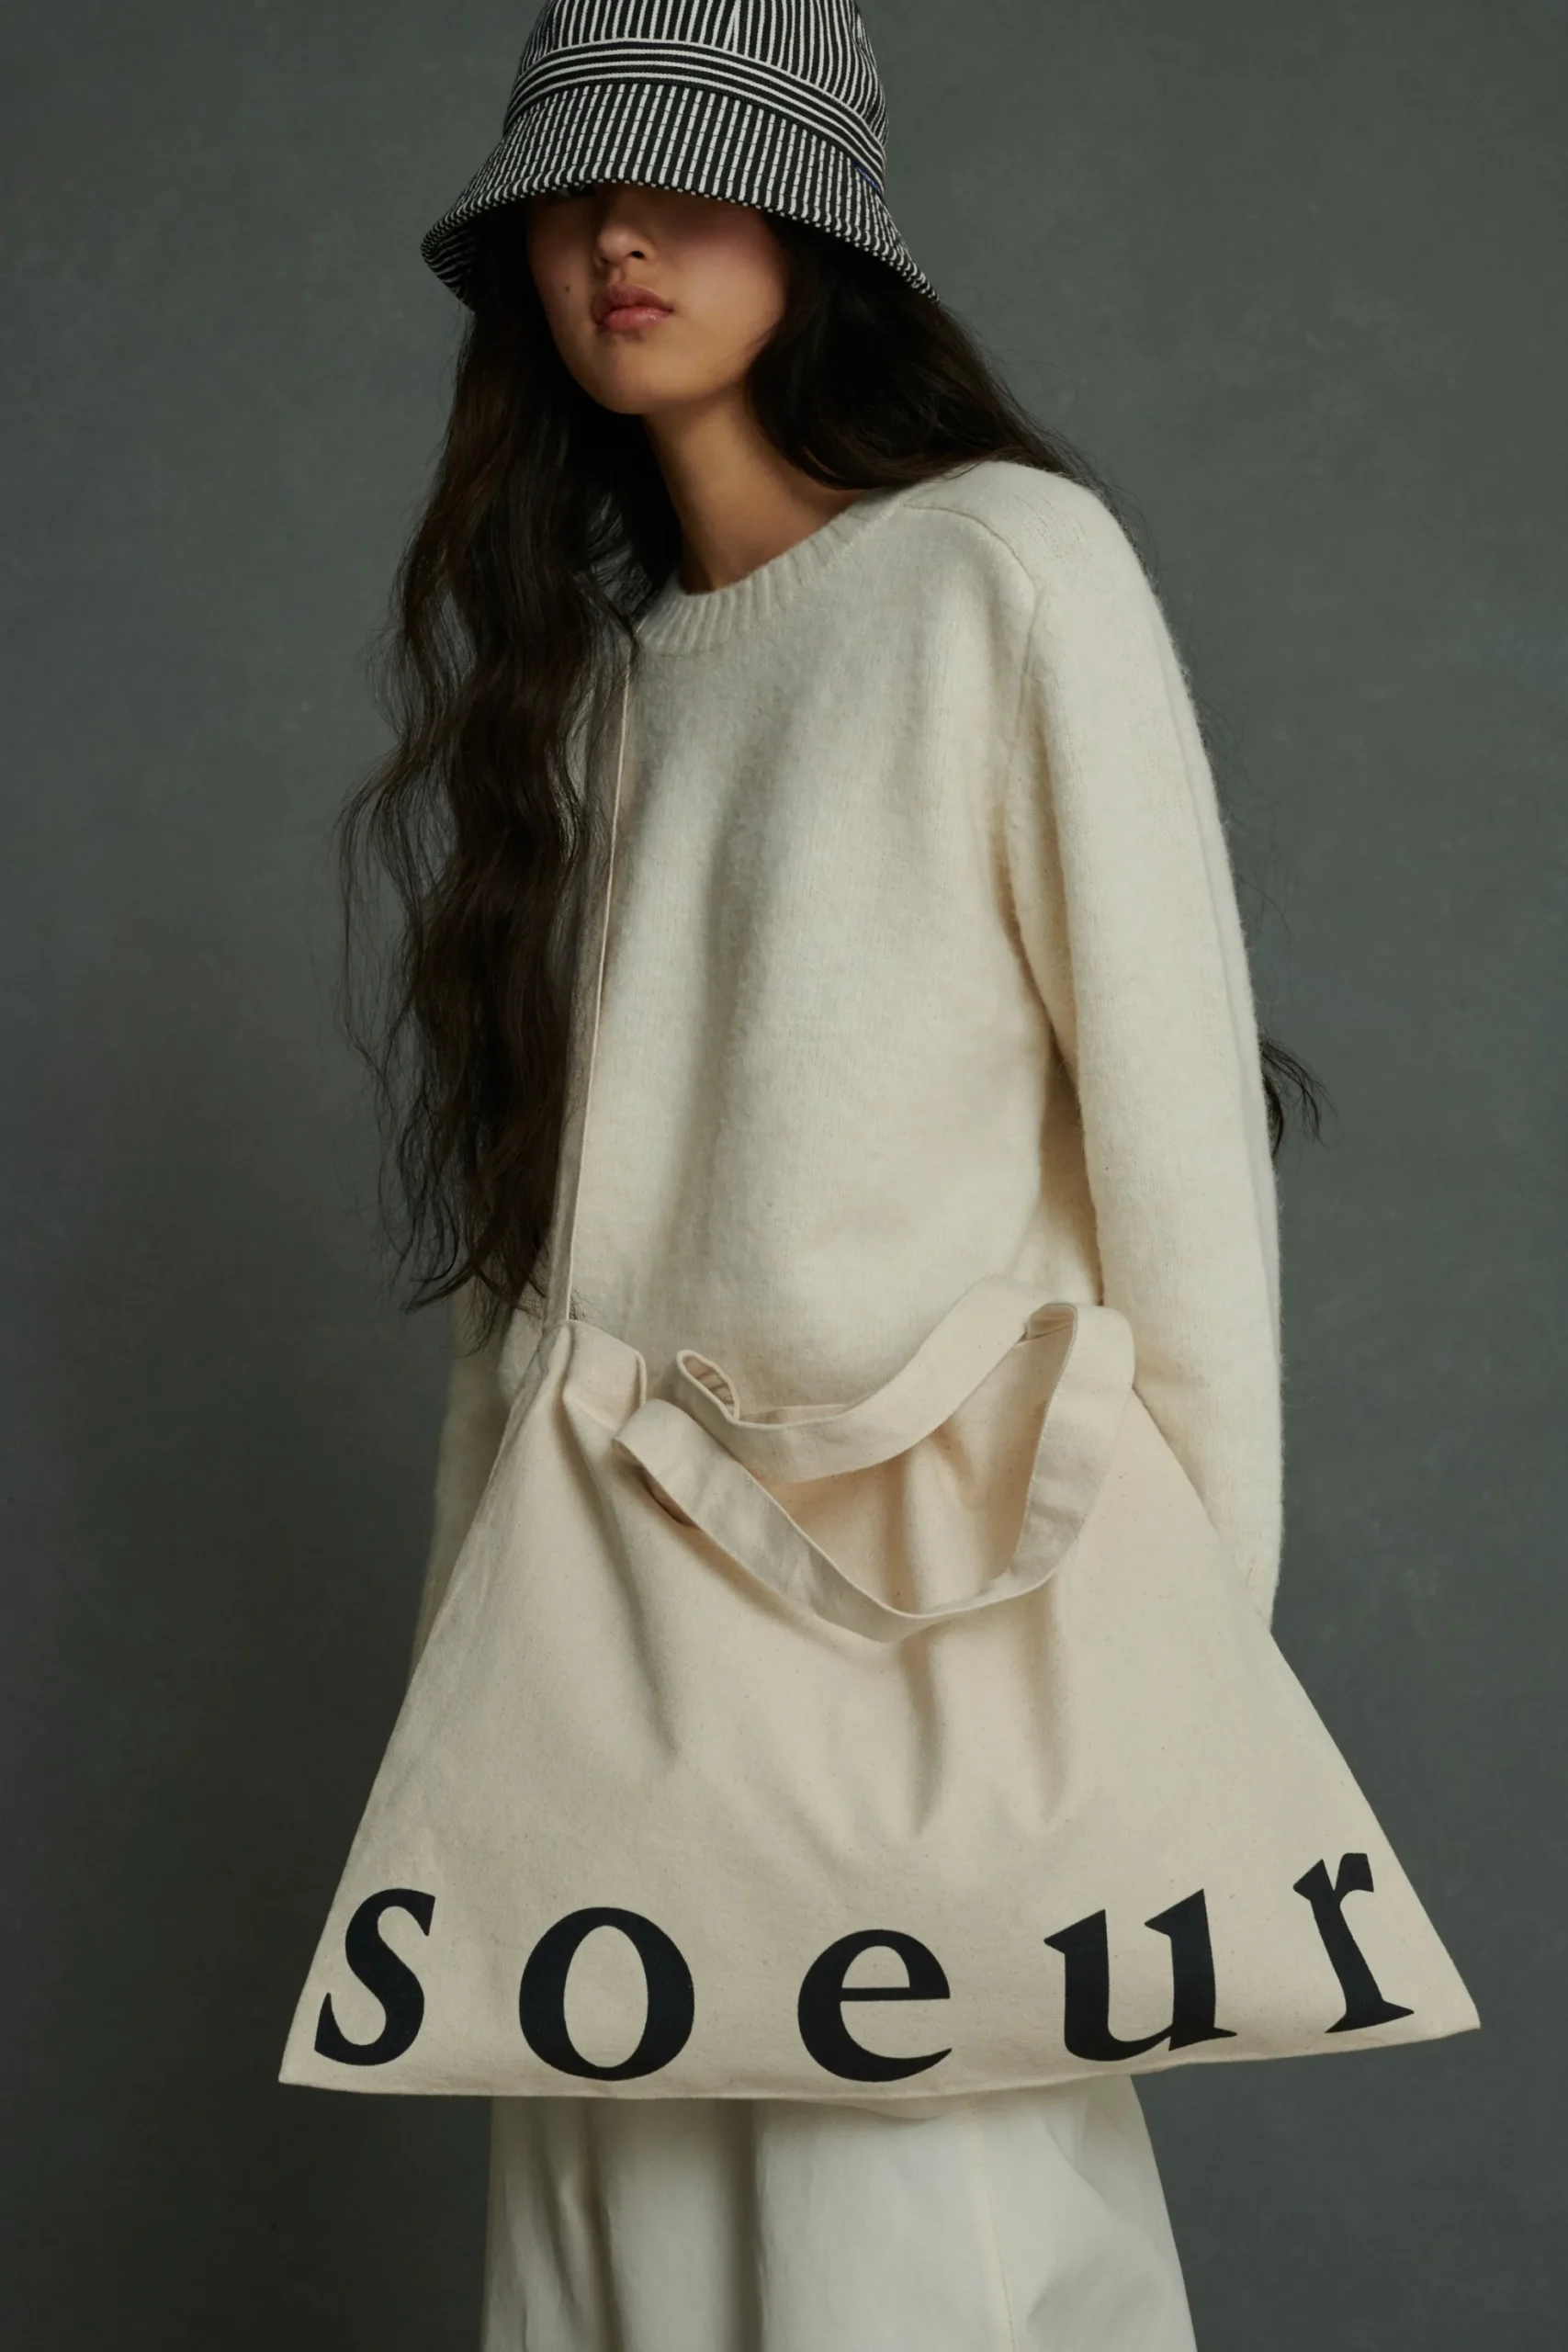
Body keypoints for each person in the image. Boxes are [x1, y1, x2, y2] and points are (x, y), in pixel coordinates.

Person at [339, 4, 1322, 2346]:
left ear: (816, 229)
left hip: (931, 1666)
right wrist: (467, 1717)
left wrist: (1173, 1680)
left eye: (686, 175)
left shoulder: (1007, 573)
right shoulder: (589, 699)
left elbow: (1180, 1157)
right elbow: (534, 1294)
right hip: (609, 1703)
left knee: (920, 2278)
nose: (620, 233)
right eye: (573, 189)